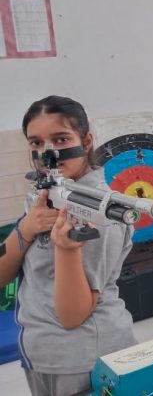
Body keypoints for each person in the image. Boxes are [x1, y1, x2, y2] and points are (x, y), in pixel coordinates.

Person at [0, 96, 135, 396]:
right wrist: (26, 227)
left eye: (61, 139)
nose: (47, 152)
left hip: (81, 358)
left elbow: (73, 315)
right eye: (36, 143)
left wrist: (66, 249)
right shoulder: (45, 194)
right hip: (41, 354)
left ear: (86, 142)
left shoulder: (101, 212)